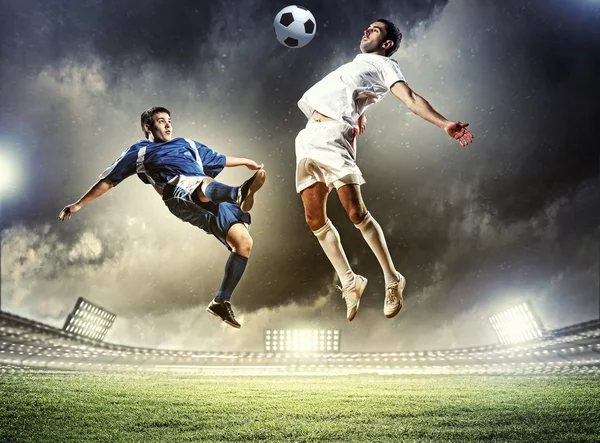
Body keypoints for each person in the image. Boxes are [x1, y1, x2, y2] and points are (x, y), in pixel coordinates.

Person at [295, 19, 473, 321]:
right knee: (314, 220)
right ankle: (350, 282)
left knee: (354, 212)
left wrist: (444, 124)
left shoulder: (385, 66)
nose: (366, 30)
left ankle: (393, 279)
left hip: (334, 137)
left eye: (375, 30)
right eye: (367, 27)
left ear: (387, 44)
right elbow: (354, 93)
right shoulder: (355, 66)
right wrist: (362, 110)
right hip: (308, 138)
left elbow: (411, 98)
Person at [58, 107, 266, 329]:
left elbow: (220, 159)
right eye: (161, 121)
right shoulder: (140, 152)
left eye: (169, 120)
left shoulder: (188, 144)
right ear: (148, 127)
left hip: (208, 195)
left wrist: (246, 161)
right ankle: (237, 194)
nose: (168, 125)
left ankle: (221, 301)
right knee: (200, 182)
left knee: (244, 243)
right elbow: (109, 180)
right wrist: (79, 204)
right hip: (177, 193)